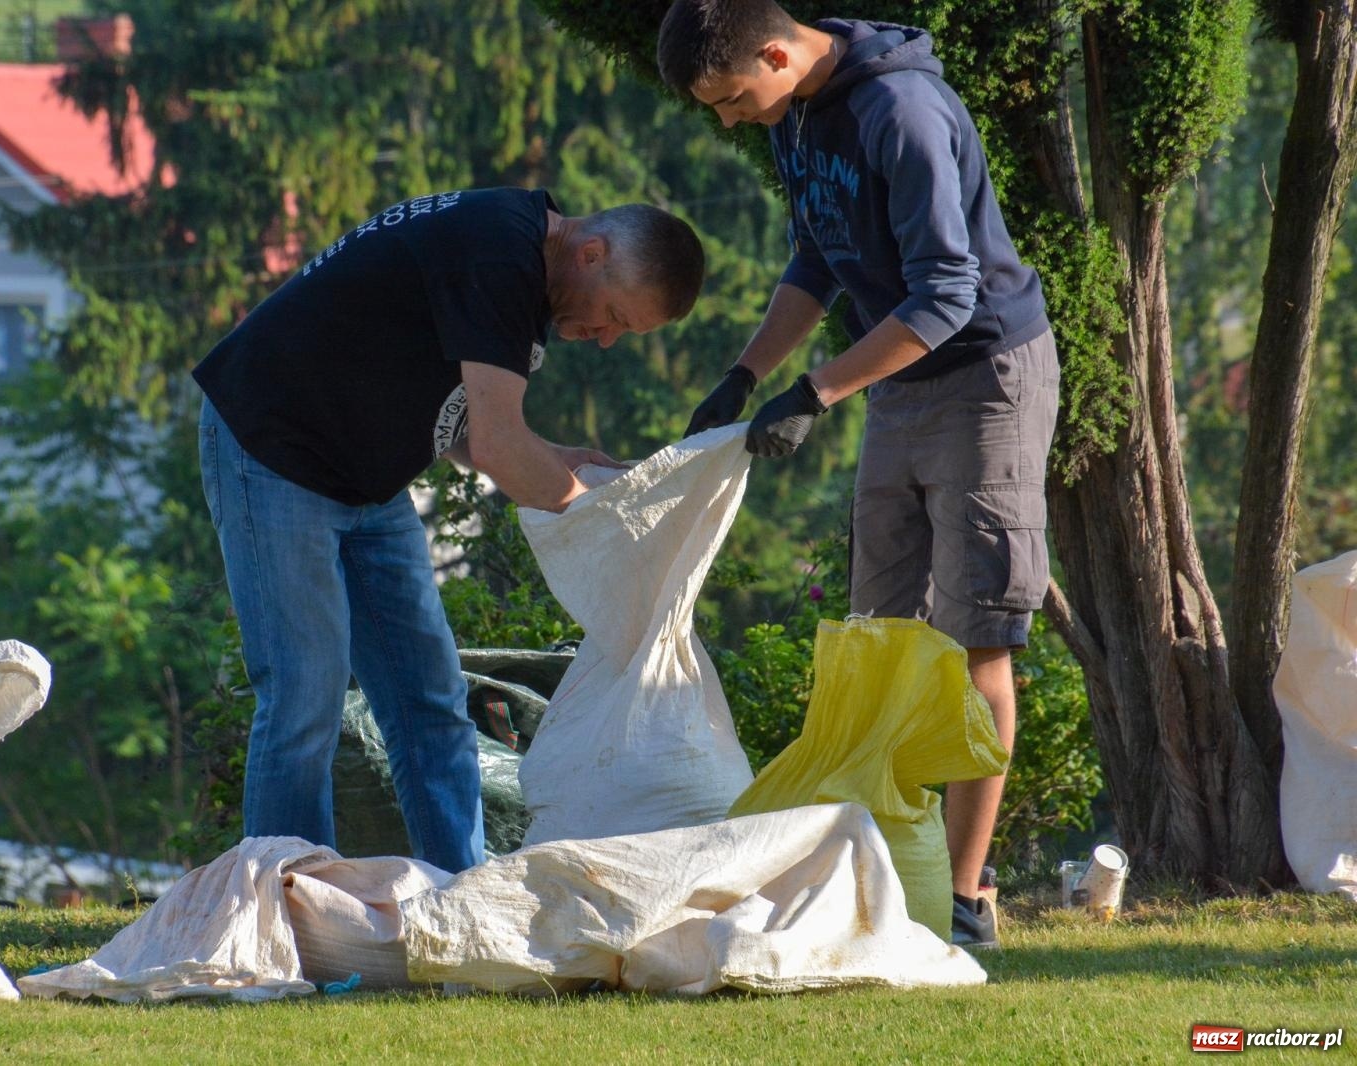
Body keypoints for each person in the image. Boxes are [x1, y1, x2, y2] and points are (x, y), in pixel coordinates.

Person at [658, 1, 1059, 947]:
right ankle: (885, 872)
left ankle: (964, 900)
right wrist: (746, 375)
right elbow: (819, 256)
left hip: (983, 377)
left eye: (730, 97)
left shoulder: (902, 112)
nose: (729, 119)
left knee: (977, 642)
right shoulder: (798, 110)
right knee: (878, 633)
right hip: (896, 383)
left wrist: (814, 394)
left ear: (775, 50)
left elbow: (948, 294)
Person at [193, 187, 705, 873]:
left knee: (429, 703)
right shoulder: (499, 250)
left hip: (368, 481)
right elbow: (497, 448)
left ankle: (462, 901)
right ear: (592, 252)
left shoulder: (525, 269)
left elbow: (467, 424)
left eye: (622, 332)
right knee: (303, 698)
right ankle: (279, 918)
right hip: (272, 450)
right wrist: (601, 518)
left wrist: (554, 461)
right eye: (613, 316)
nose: (604, 338)